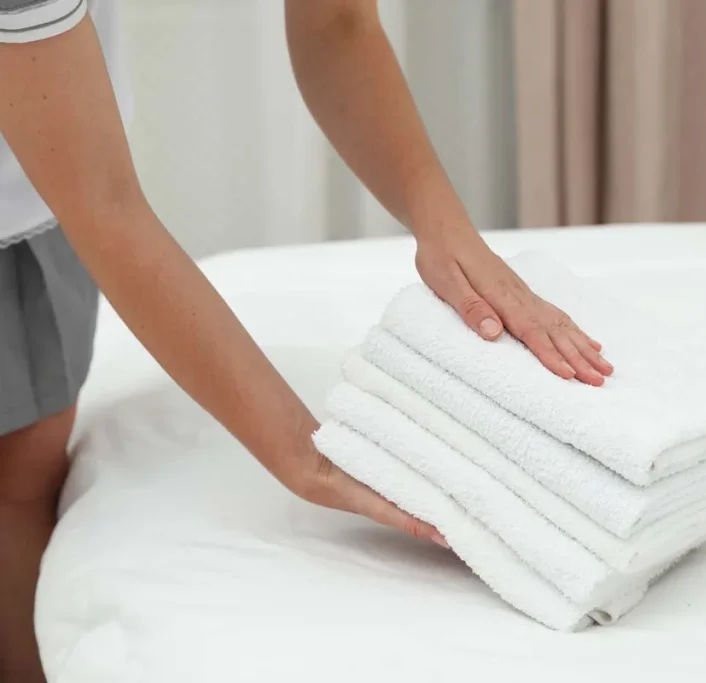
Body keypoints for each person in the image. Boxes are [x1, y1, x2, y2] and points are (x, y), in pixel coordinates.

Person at [0, 0, 614, 679]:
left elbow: (338, 24)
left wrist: (445, 228)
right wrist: (308, 456)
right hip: (57, 156)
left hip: (35, 169)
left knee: (21, 473)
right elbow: (104, 204)